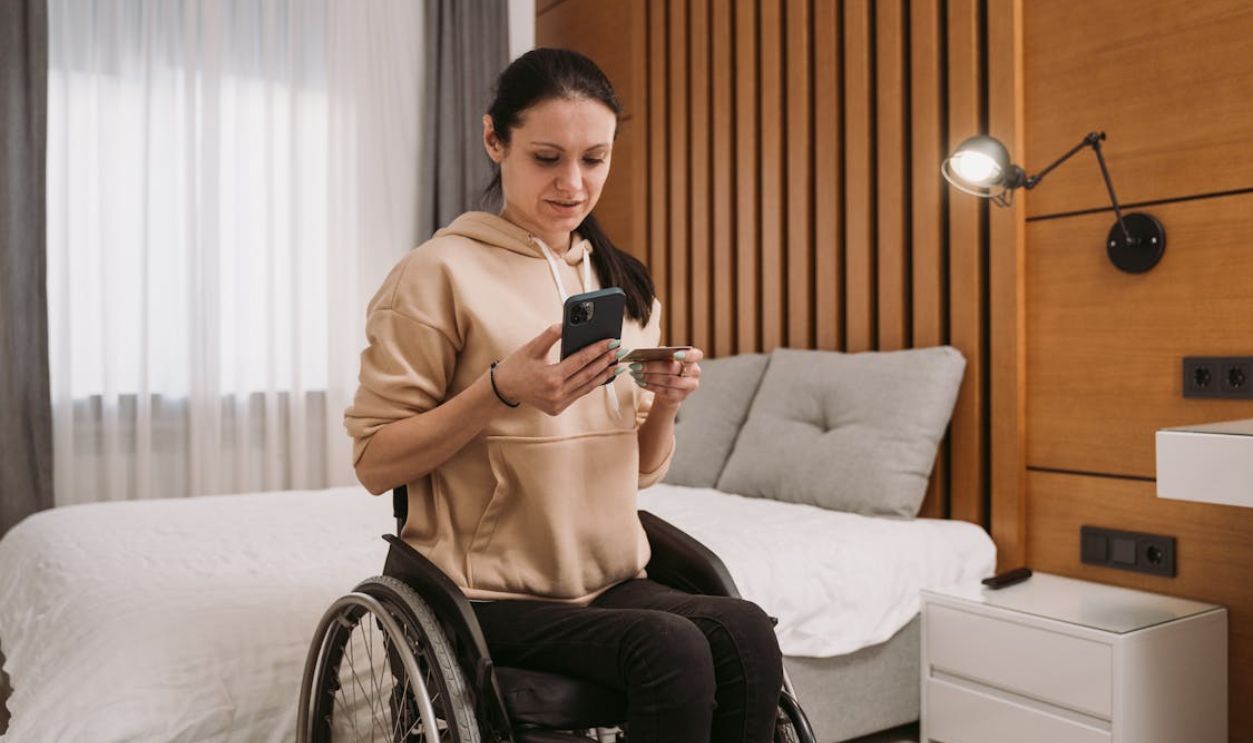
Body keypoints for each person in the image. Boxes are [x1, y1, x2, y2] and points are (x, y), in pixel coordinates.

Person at [344, 48, 783, 743]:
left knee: (744, 628)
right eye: (547, 157)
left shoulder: (624, 286)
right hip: (483, 591)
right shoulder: (437, 273)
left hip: (608, 577)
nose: (573, 184)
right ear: (496, 140)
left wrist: (665, 401)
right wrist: (499, 391)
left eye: (594, 158)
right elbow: (375, 462)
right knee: (669, 647)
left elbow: (639, 471)